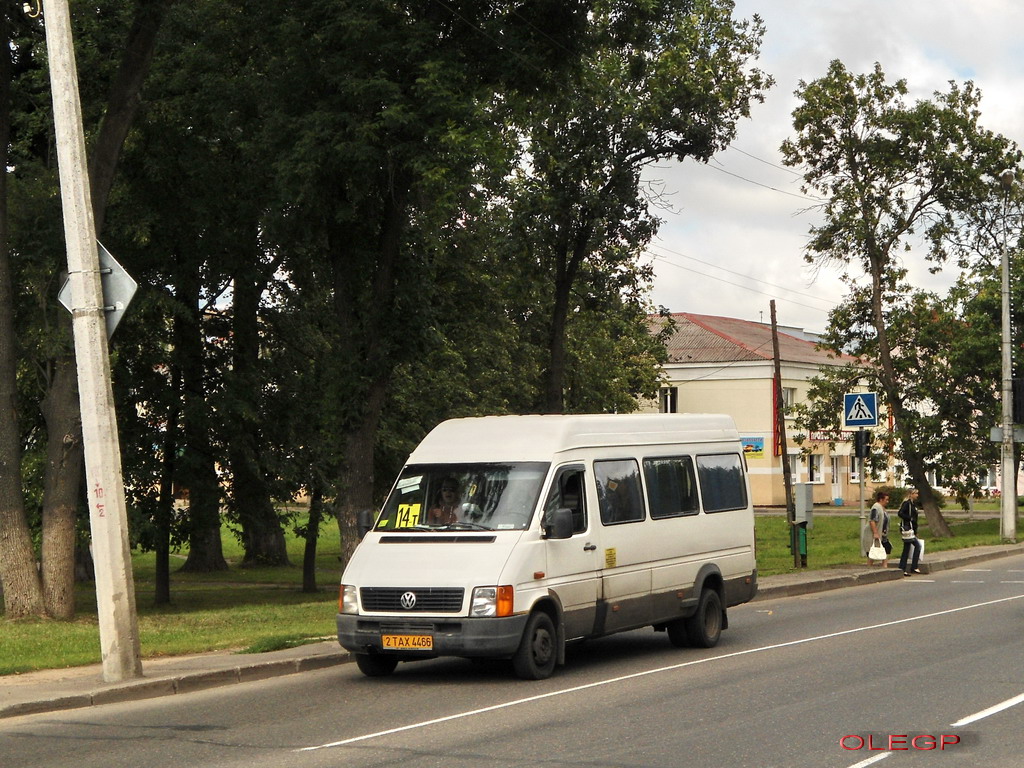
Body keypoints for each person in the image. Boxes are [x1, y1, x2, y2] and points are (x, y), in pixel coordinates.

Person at [897, 488, 922, 575]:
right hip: (907, 528)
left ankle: (903, 567)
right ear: (910, 494)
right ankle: (913, 567)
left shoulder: (912, 504)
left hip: (911, 529)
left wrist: (915, 530)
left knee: (907, 548)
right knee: (917, 546)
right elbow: (900, 513)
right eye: (916, 494)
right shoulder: (907, 503)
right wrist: (909, 518)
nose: (917, 495)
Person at [866, 490, 891, 567]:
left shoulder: (882, 508)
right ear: (881, 499)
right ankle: (869, 567)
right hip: (877, 534)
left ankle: (884, 566)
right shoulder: (876, 508)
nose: (887, 501)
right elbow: (872, 521)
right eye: (886, 499)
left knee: (886, 550)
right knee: (874, 552)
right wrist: (875, 533)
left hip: (883, 534)